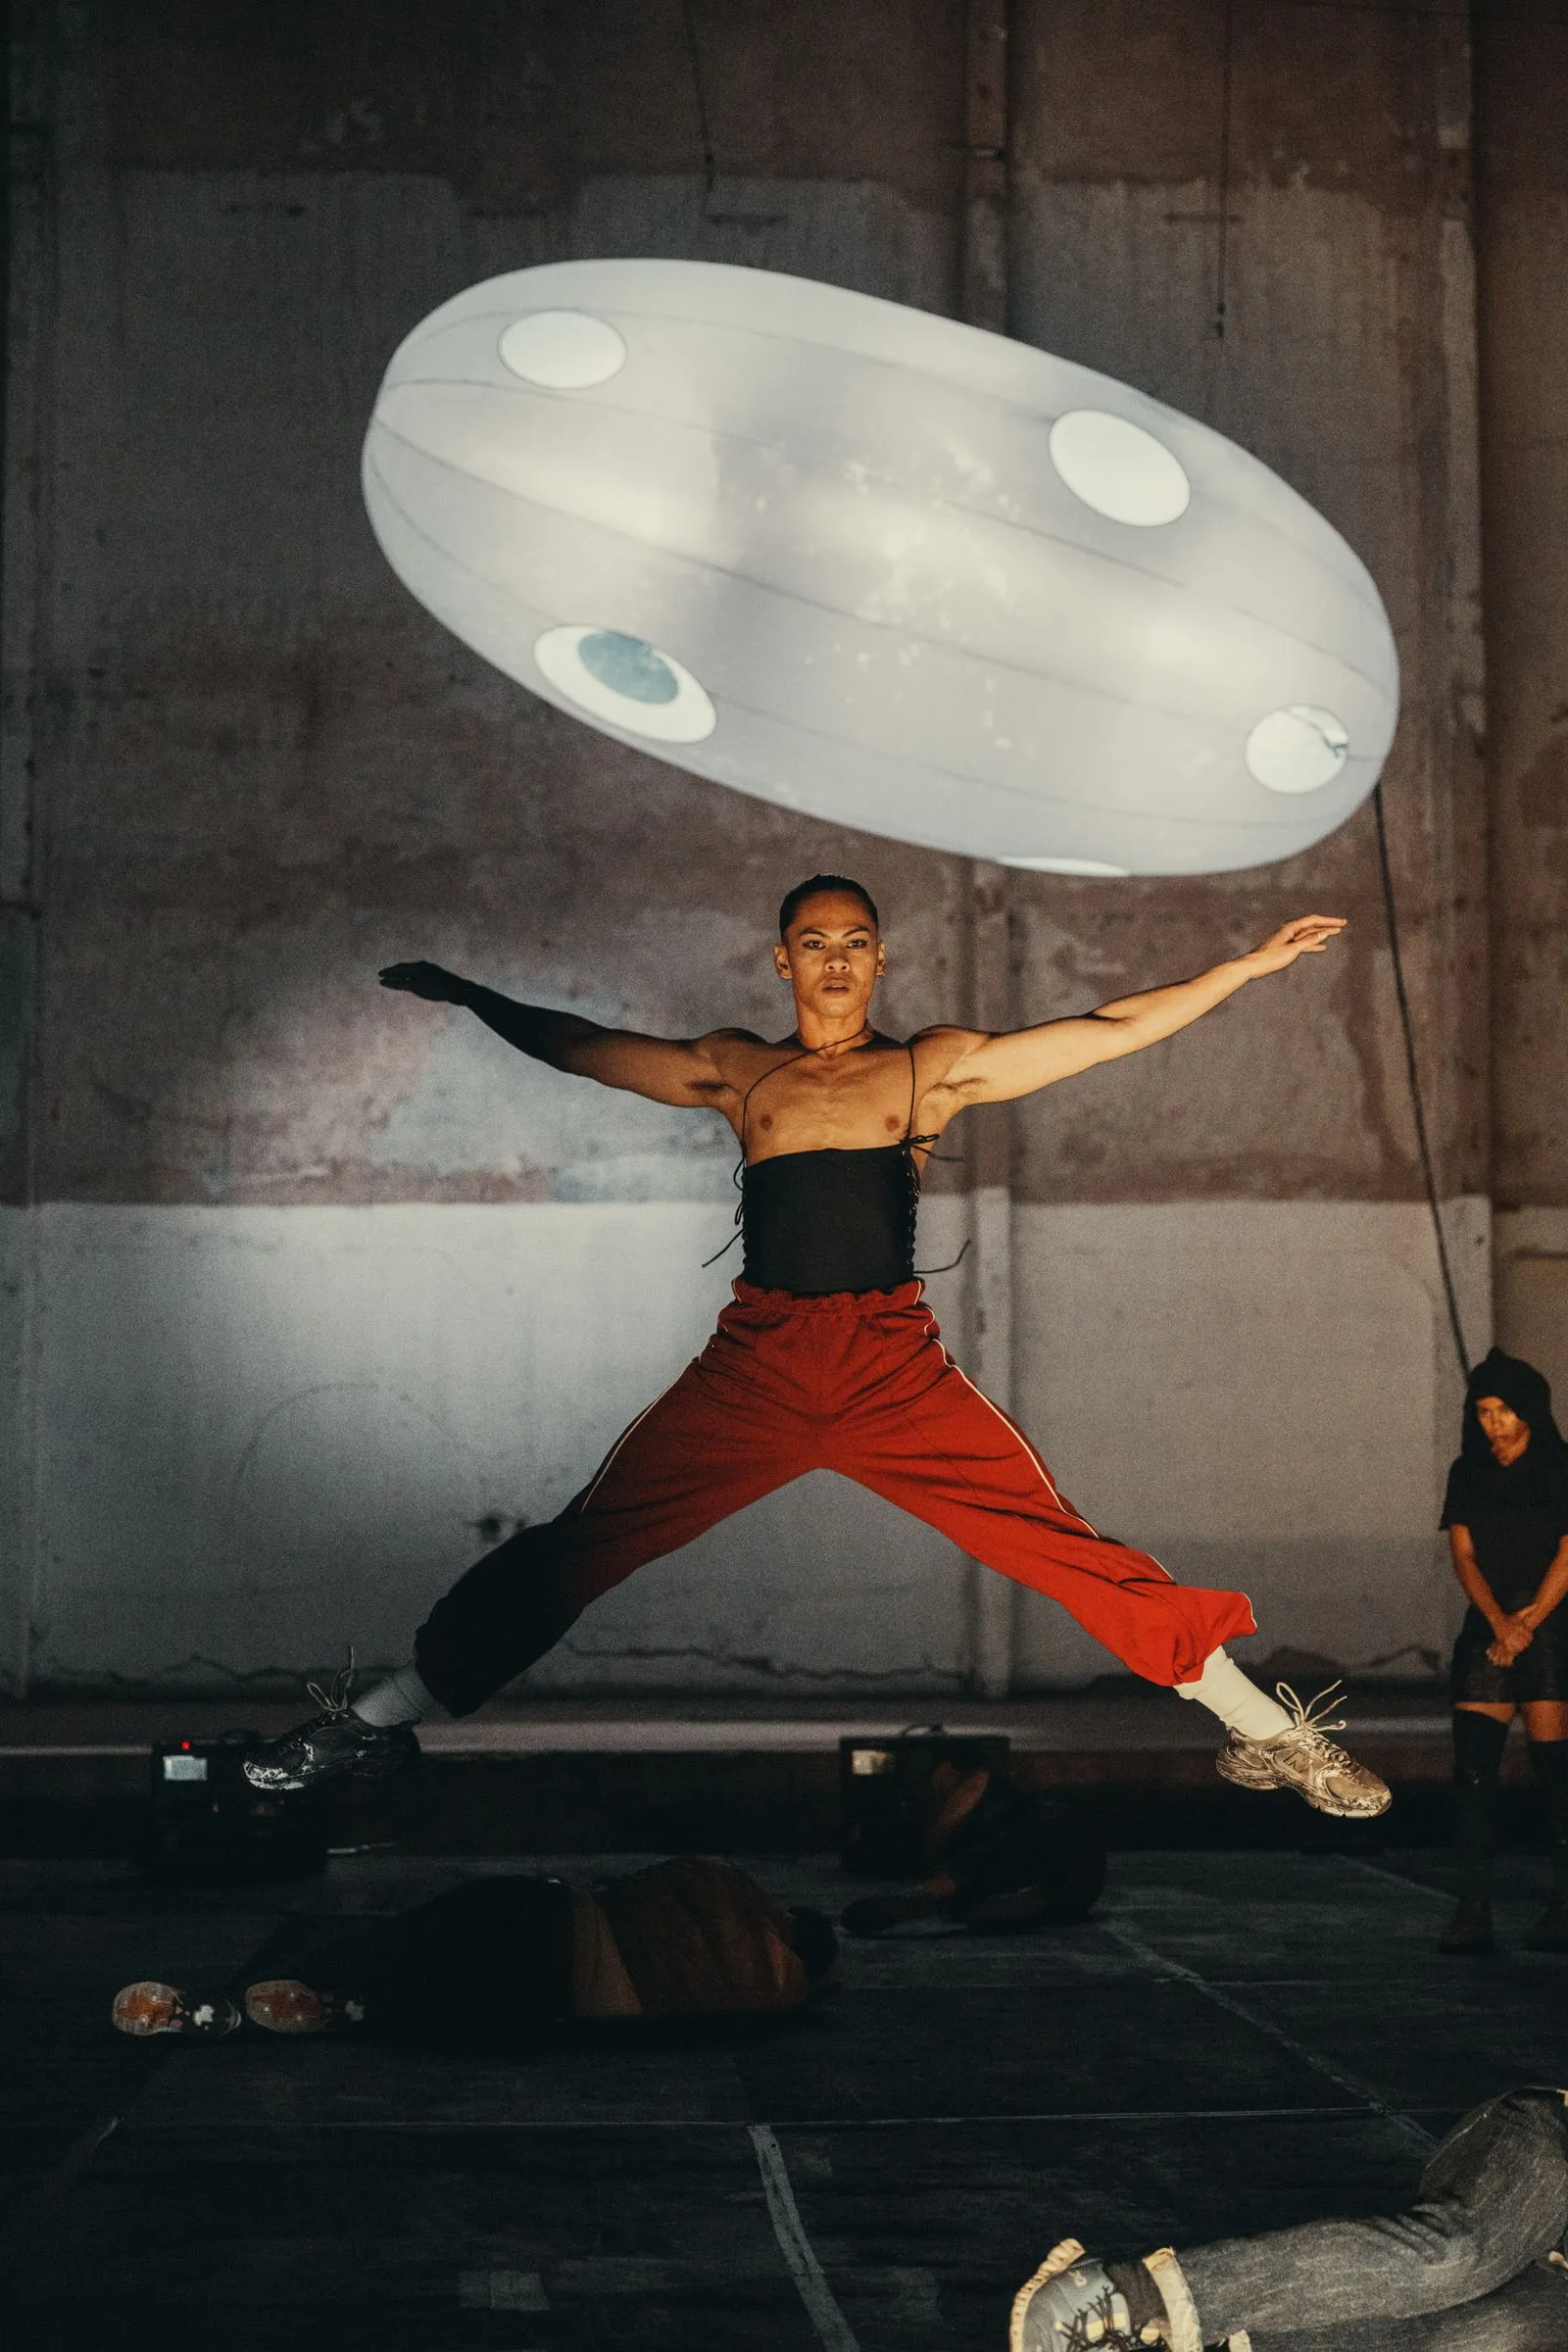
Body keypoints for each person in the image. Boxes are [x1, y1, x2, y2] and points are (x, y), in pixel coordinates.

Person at [244, 876, 1388, 1822]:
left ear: (879, 962)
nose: (835, 958)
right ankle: (373, 1725)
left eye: (855, 941)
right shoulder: (741, 1073)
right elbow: (586, 1046)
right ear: (782, 963)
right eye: (812, 942)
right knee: (586, 1544)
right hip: (760, 1363)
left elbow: (1105, 1030)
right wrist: (471, 996)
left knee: (1058, 1544)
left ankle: (1274, 1737)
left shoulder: (926, 1069)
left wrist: (1244, 968)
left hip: (891, 1366)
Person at [1009, 2084, 1568, 2351]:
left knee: (1495, 2335)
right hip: (1551, 2151)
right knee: (1456, 2254)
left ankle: (1181, 2343)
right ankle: (1123, 2295)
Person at [111, 1854, 838, 2046]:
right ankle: (355, 2013)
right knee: (429, 2013)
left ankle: (235, 2002)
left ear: (788, 1916)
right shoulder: (781, 1998)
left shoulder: (730, 1888)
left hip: (553, 1923)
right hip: (557, 2005)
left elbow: (655, 1885)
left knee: (401, 1941)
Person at [1437, 1348, 1568, 1956]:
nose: (1495, 1423)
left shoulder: (1560, 1467)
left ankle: (1562, 1905)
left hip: (1549, 1621)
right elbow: (1463, 1556)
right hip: (1491, 1622)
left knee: (1555, 1771)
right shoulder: (1468, 1472)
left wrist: (1528, 1623)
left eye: (1504, 1410)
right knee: (1472, 1769)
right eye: (1484, 1411)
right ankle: (1473, 1908)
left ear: (1530, 1411)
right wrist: (1498, 1625)